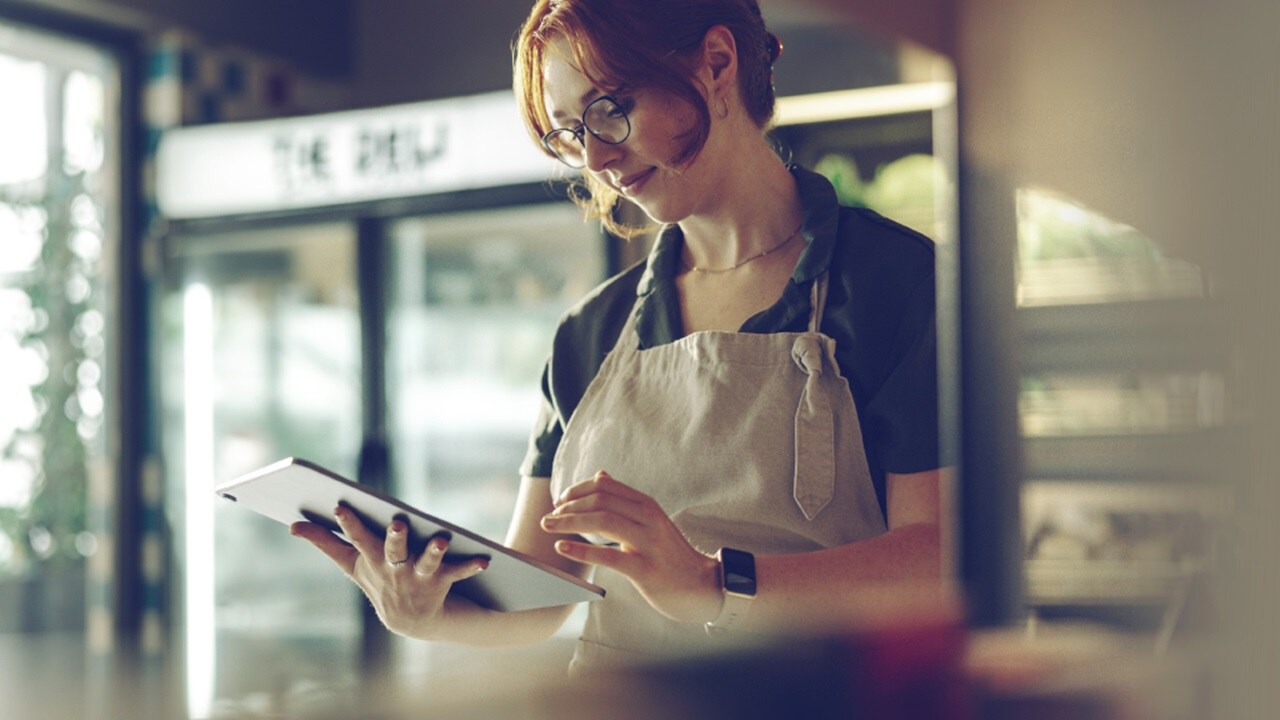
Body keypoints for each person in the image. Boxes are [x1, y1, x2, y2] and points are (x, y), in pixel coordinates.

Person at [292, 0, 947, 675]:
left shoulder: (893, 282)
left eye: (611, 109)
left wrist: (715, 586)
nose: (598, 158)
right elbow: (543, 595)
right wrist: (427, 613)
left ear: (718, 63)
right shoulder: (590, 334)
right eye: (570, 133)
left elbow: (939, 557)